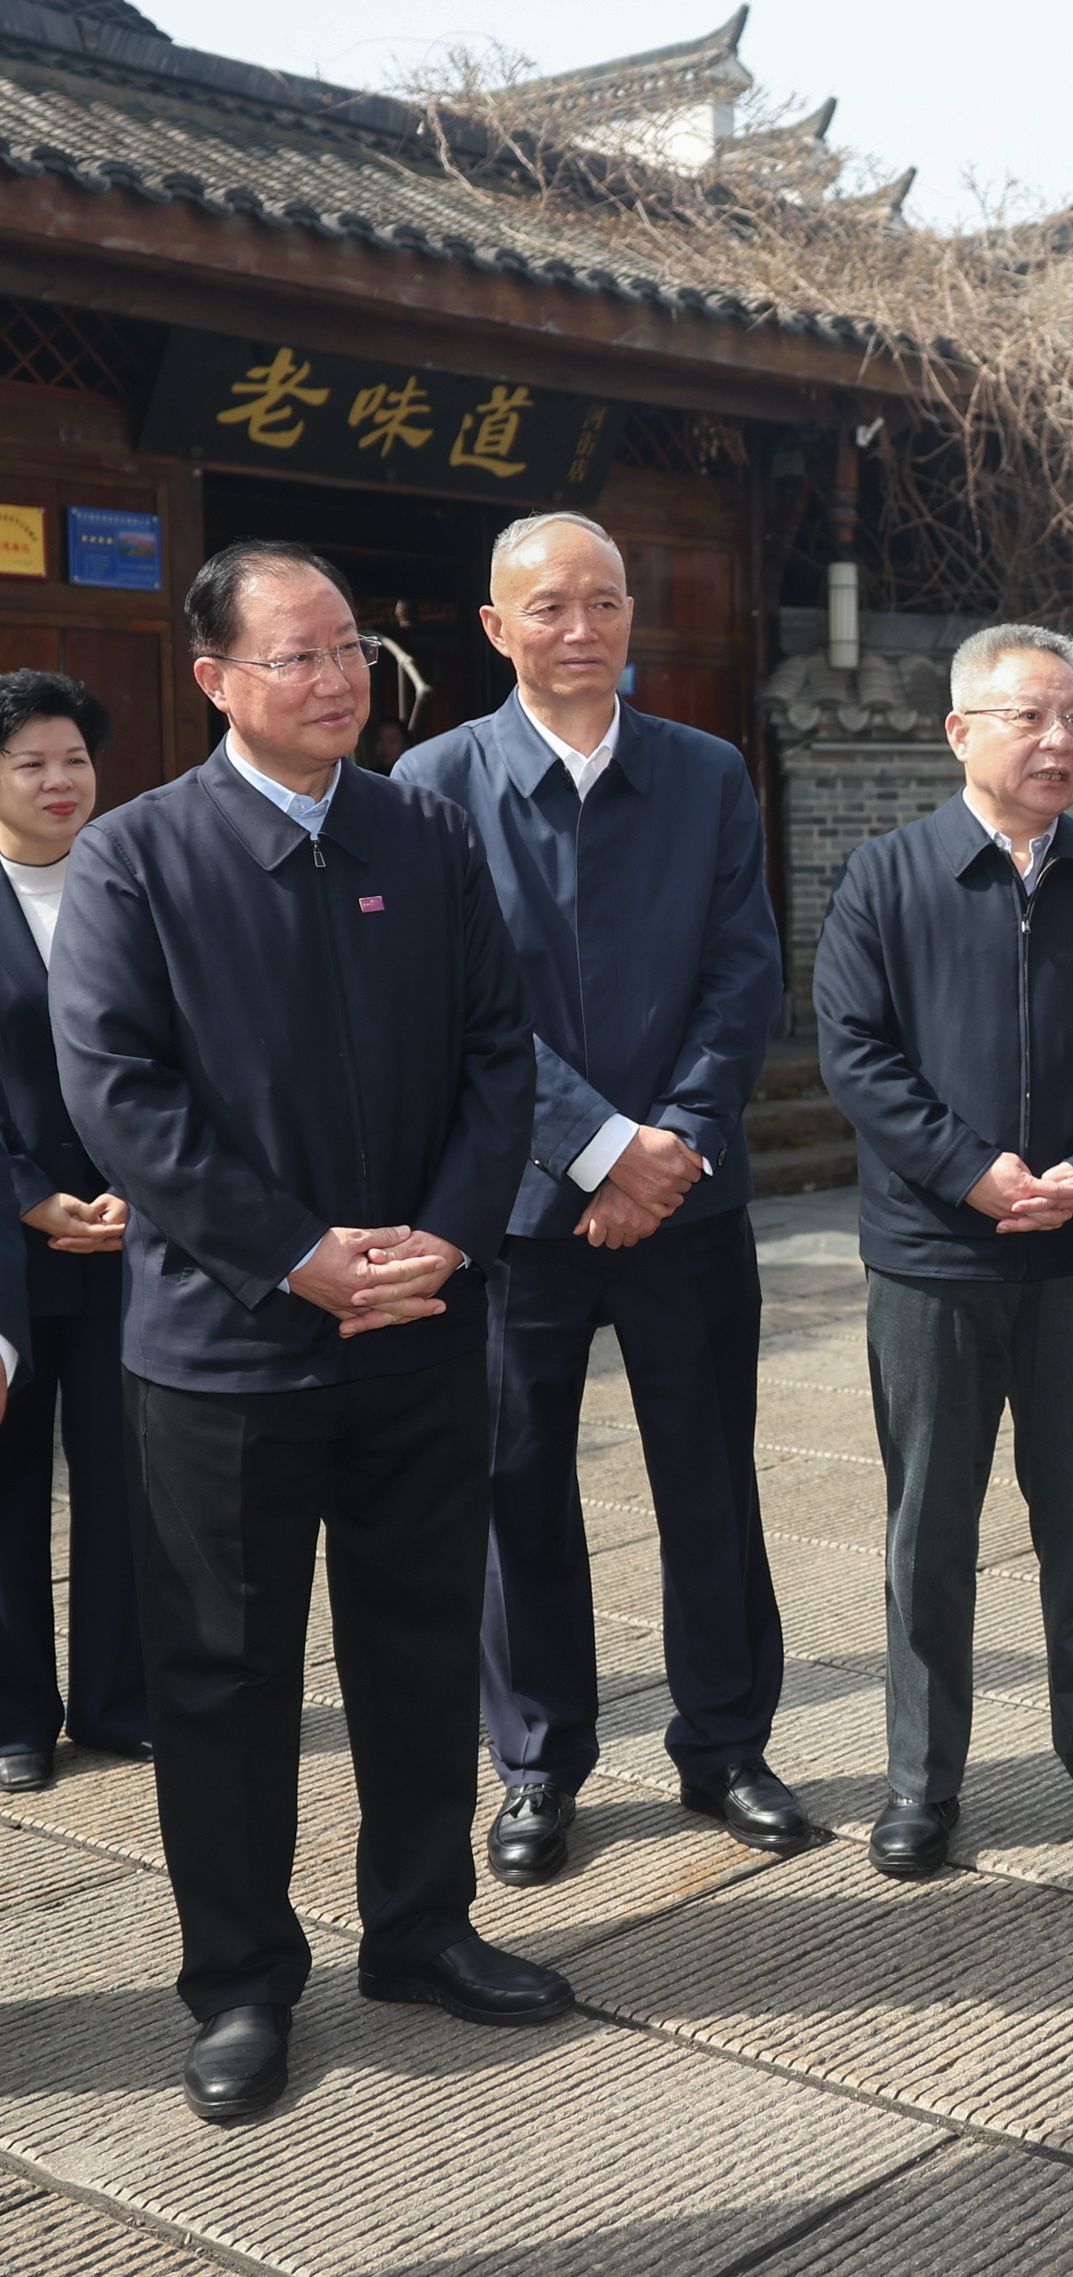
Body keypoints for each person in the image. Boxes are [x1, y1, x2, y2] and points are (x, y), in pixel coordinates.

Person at [54, 539, 564, 2128]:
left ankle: (420, 1928)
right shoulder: (141, 858)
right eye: (299, 656)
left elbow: (501, 1051)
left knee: (417, 1652)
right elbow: (118, 1094)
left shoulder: (422, 830)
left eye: (351, 650)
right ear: (213, 680)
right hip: (225, 1355)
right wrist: (296, 1256)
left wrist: (447, 1237)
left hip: (418, 1328)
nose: (339, 680)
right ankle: (241, 1982)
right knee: (225, 1678)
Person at [394, 513, 798, 1887]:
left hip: (690, 1198)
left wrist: (673, 1140)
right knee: (516, 1488)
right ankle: (539, 1764)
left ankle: (728, 1743)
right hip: (514, 1209)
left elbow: (745, 971)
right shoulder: (435, 780)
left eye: (606, 603)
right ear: (497, 628)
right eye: (549, 608)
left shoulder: (705, 774)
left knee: (710, 1476)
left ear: (635, 618)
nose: (582, 630)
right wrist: (597, 1148)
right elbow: (457, 1006)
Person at [813, 622, 1073, 1880]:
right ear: (960, 730)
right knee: (930, 1529)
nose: (1059, 740)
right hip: (932, 1260)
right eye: (1029, 717)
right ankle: (923, 1783)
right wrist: (969, 1174)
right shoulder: (887, 876)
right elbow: (856, 1054)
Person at [0, 673, 90, 1794]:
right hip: (11, 1247)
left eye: (73, 759)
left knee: (131, 1485)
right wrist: (26, 1193)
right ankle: (16, 1710)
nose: (59, 781)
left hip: (128, 1239)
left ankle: (124, 1695)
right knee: (11, 1488)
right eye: (30, 764)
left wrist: (139, 1194)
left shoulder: (130, 883)